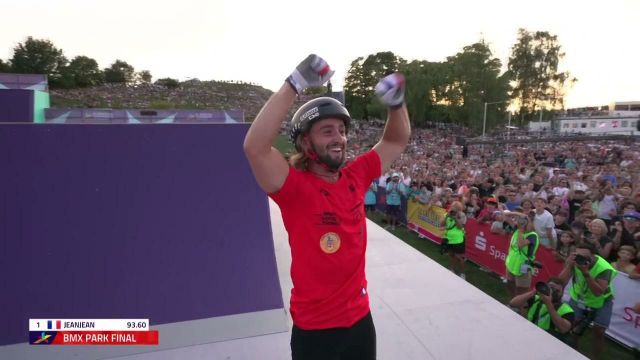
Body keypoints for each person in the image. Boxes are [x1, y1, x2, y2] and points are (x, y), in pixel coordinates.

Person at [243, 54, 410, 360]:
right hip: (315, 333)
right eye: (327, 131)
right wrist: (295, 82)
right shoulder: (294, 187)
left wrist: (396, 103)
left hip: (360, 323)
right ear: (306, 143)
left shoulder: (355, 176)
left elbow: (396, 140)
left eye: (342, 130)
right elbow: (254, 147)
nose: (340, 138)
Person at [558, 242, 617, 360]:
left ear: (593, 256)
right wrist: (569, 266)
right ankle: (572, 353)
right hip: (578, 297)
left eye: (584, 256)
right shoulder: (574, 261)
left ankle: (595, 357)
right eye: (577, 255)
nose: (580, 258)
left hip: (601, 301)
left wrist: (586, 273)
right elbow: (560, 282)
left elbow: (598, 292)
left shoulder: (604, 268)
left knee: (599, 331)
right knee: (571, 326)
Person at [508, 277, 574, 344]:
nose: (554, 292)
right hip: (530, 334)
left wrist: (548, 303)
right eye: (551, 288)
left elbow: (564, 329)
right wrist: (533, 292)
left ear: (562, 293)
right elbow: (513, 303)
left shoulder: (567, 310)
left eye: (557, 291)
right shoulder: (536, 299)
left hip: (550, 341)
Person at [505, 210, 540, 306]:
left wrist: (520, 229)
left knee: (521, 290)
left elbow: (521, 244)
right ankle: (512, 302)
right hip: (512, 263)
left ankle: (520, 308)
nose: (523, 223)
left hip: (523, 266)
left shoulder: (533, 235)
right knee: (509, 284)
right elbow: (506, 215)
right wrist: (518, 214)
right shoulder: (518, 228)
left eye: (527, 221)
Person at [442, 201, 467, 280]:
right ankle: (452, 269)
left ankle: (463, 273)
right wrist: (447, 217)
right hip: (449, 239)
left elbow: (460, 227)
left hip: (458, 240)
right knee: (451, 255)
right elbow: (441, 224)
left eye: (455, 208)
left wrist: (456, 218)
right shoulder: (447, 214)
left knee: (459, 257)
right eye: (452, 207)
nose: (453, 208)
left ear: (459, 209)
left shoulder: (462, 215)